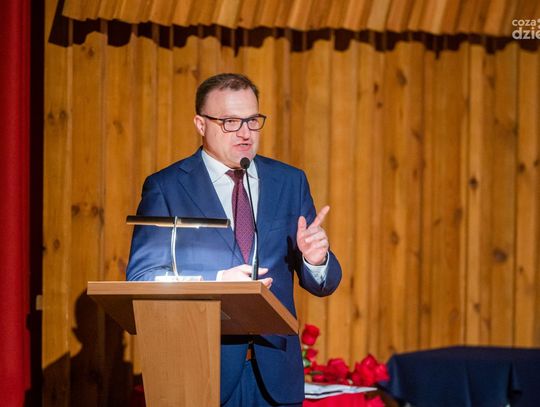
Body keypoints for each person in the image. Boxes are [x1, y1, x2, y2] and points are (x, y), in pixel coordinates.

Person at [126, 73, 342, 406]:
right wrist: (214, 282)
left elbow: (322, 283)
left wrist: (317, 260)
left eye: (252, 121)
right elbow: (142, 277)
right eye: (230, 122)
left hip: (276, 377)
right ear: (201, 124)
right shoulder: (167, 187)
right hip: (202, 372)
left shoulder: (289, 181)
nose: (245, 133)